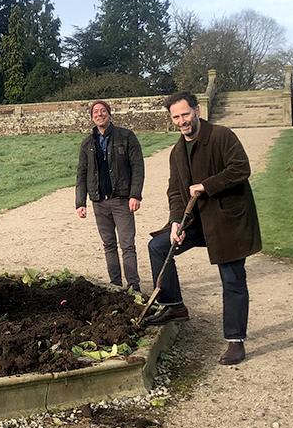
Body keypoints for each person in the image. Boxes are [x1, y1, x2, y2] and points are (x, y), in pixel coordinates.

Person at [143, 91, 261, 366]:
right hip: (196, 222)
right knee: (159, 246)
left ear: (196, 110)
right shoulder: (176, 151)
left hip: (226, 221)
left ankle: (235, 340)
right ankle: (174, 306)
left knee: (232, 279)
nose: (182, 121)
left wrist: (207, 185)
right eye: (176, 117)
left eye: (185, 114)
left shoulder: (221, 136)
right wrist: (175, 222)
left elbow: (240, 168)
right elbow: (175, 190)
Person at [75, 100, 146, 292]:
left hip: (122, 199)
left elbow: (138, 167)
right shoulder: (87, 143)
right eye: (95, 112)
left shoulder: (126, 136)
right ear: (92, 117)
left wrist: (135, 195)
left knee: (127, 244)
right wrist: (80, 202)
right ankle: (115, 285)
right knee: (108, 244)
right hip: (99, 201)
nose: (99, 114)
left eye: (103, 111)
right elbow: (81, 173)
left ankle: (133, 286)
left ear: (109, 113)